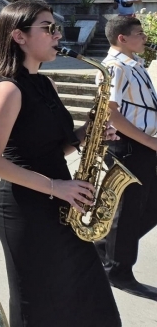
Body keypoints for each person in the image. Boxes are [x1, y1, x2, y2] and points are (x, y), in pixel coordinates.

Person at [0, 0, 121, 327]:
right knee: (38, 307)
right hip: (25, 211)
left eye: (56, 28)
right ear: (19, 36)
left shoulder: (46, 83)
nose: (58, 34)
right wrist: (57, 186)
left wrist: (88, 133)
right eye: (49, 28)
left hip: (60, 205)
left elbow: (51, 150)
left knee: (90, 299)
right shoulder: (7, 89)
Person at [94, 15, 157, 300]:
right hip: (129, 147)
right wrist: (150, 142)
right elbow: (112, 114)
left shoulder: (134, 64)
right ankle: (118, 271)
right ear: (122, 38)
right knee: (128, 211)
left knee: (150, 206)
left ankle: (104, 248)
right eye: (139, 34)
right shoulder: (114, 67)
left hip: (143, 146)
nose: (144, 38)